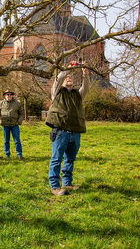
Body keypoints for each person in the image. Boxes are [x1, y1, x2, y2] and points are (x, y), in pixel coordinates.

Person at [46, 61, 89, 196]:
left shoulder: (78, 94)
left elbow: (86, 87)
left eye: (70, 77)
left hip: (75, 133)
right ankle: (55, 187)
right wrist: (67, 69)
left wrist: (85, 73)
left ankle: (67, 183)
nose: (68, 78)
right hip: (60, 132)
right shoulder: (57, 92)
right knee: (56, 159)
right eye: (66, 77)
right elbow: (58, 79)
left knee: (70, 159)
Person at [0, 90, 24, 159]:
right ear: (5, 95)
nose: (9, 96)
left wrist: (19, 121)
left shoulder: (17, 103)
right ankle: (7, 154)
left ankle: (19, 154)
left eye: (10, 94)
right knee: (6, 140)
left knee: (17, 140)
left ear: (12, 95)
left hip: (14, 125)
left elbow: (22, 113)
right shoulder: (1, 103)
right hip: (5, 124)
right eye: (7, 94)